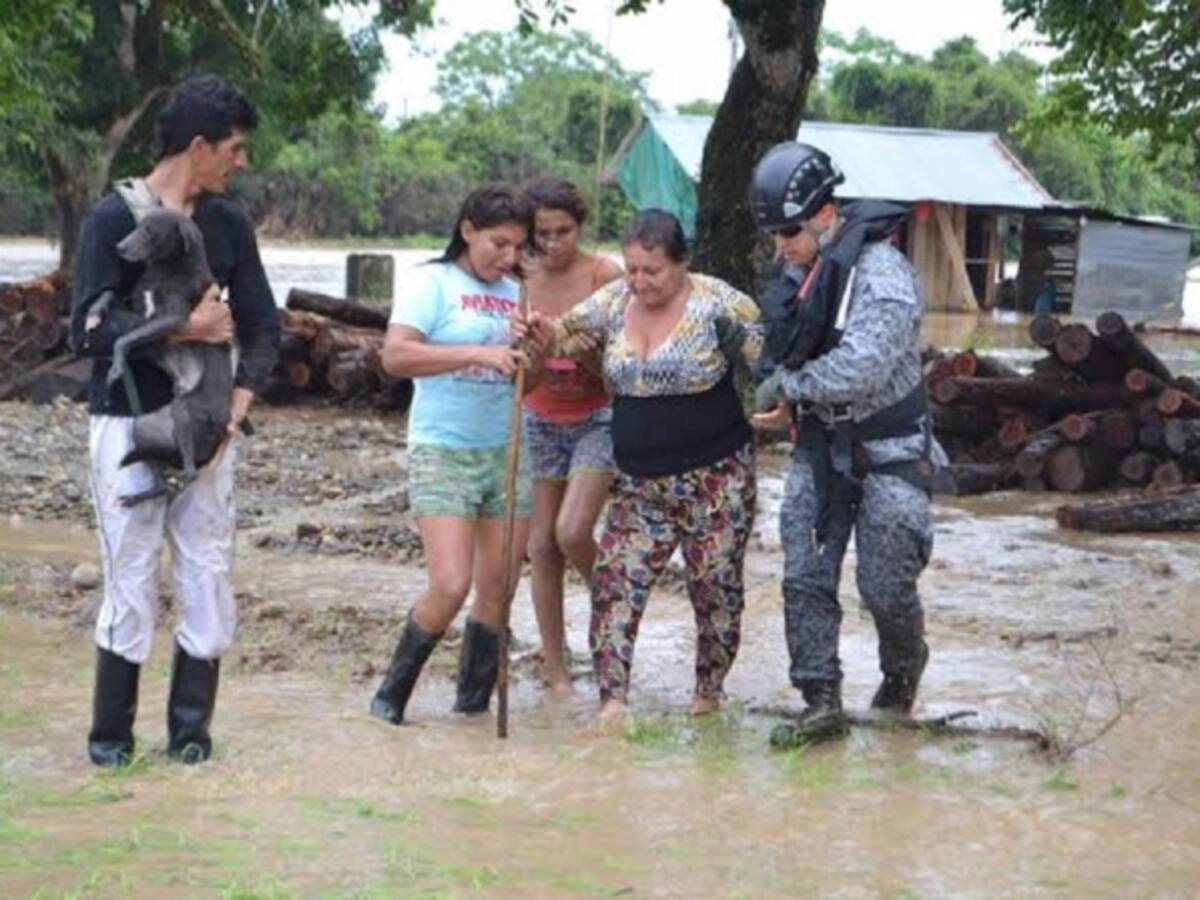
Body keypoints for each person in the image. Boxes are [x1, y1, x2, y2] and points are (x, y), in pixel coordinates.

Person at [70, 75, 280, 766]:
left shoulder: (228, 224)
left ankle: (191, 739)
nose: (241, 163)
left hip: (209, 432)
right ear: (198, 146)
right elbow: (88, 329)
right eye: (235, 149)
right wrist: (184, 329)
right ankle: (110, 746)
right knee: (129, 578)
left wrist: (234, 418)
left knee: (208, 575)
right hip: (126, 424)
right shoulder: (112, 220)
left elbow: (260, 325)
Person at [523, 209, 763, 721]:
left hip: (715, 480)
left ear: (683, 263)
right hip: (638, 485)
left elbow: (770, 363)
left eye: (651, 271)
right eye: (631, 269)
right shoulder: (614, 302)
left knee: (714, 588)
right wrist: (538, 334)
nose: (639, 281)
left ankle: (707, 696)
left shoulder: (721, 305)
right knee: (614, 585)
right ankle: (612, 704)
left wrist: (778, 405)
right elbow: (562, 333)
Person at [748, 142, 943, 742]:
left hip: (891, 453)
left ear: (824, 216)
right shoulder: (798, 273)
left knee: (885, 586)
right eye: (775, 236)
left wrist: (790, 384)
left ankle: (902, 673)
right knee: (805, 574)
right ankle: (820, 698)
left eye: (789, 233)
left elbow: (861, 367)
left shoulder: (882, 274)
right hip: (819, 448)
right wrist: (773, 383)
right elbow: (771, 340)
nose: (781, 247)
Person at [369, 183, 534, 725]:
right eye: (499, 243)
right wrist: (478, 353)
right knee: (450, 584)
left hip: (508, 450)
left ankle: (472, 708)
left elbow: (530, 371)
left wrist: (540, 343)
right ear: (467, 230)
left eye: (518, 246)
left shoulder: (519, 293)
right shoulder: (431, 282)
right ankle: (390, 698)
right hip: (443, 447)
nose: (509, 257)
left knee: (498, 589)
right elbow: (395, 355)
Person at [520, 177, 622, 694]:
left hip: (597, 413)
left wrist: (592, 352)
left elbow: (630, 359)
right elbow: (517, 367)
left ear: (579, 228)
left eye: (563, 232)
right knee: (541, 546)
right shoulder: (520, 276)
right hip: (540, 414)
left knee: (573, 531)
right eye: (543, 234)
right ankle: (557, 672)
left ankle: (615, 606)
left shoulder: (604, 275)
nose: (554, 244)